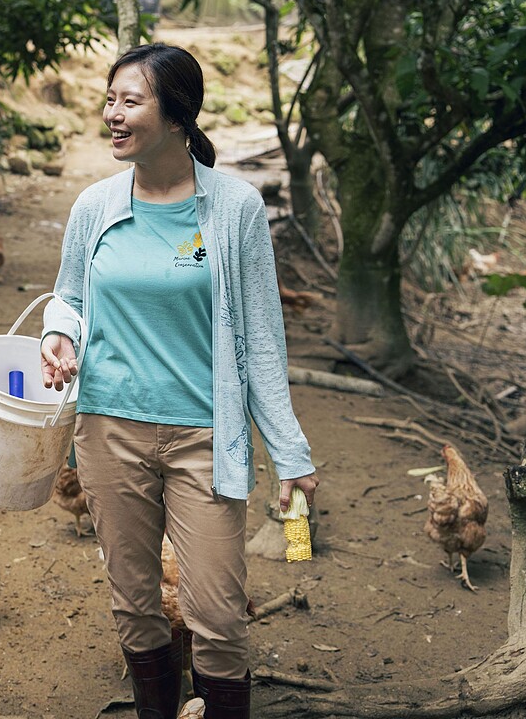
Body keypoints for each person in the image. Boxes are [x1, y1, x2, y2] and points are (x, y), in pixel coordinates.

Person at [39, 43, 319, 719]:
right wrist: (57, 335)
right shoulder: (94, 205)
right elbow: (67, 297)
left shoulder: (234, 209)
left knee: (218, 616)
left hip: (205, 437)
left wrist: (289, 449)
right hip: (109, 432)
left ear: (176, 117)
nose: (112, 114)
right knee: (134, 605)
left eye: (129, 101)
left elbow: (259, 338)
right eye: (109, 100)